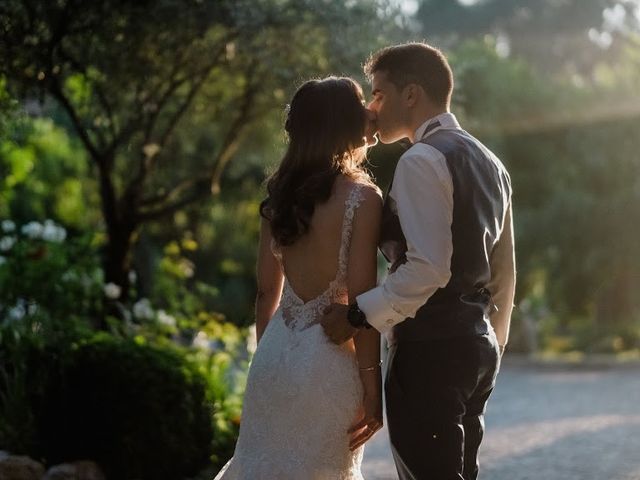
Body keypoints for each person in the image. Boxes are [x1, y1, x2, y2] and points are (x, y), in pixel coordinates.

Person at [321, 42, 516, 480]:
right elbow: (505, 269)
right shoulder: (492, 162)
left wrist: (357, 314)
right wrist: (491, 342)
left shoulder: (421, 160)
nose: (372, 108)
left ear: (411, 94)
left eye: (379, 93)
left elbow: (428, 268)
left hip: (431, 351)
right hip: (476, 347)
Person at [214, 76, 384, 480]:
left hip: (273, 359)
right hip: (327, 366)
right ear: (339, 122)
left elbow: (264, 293)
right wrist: (373, 390)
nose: (368, 111)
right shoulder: (363, 198)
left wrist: (271, 361)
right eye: (359, 102)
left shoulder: (278, 197)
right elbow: (361, 304)